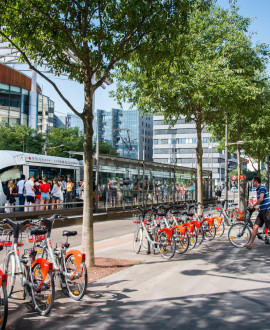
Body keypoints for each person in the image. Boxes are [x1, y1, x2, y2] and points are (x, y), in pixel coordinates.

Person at [244, 176, 270, 249]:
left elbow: (261, 199)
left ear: (256, 182)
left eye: (253, 182)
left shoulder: (262, 188)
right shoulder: (258, 189)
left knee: (269, 227)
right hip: (262, 211)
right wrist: (257, 207)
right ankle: (250, 243)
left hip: (267, 211)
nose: (252, 183)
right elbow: (262, 201)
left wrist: (253, 205)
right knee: (255, 227)